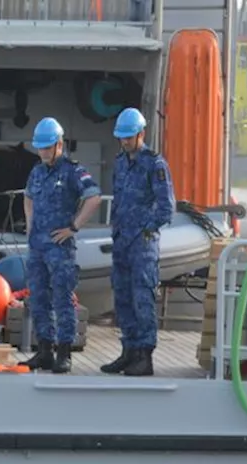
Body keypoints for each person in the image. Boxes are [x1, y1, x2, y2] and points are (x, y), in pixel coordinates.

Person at [19, 117, 102, 374]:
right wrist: (30, 226)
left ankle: (64, 352)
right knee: (38, 297)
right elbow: (28, 196)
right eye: (40, 148)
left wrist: (74, 227)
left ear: (59, 144)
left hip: (59, 247)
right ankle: (44, 350)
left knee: (63, 299)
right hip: (38, 246)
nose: (43, 152)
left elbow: (94, 197)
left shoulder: (73, 171)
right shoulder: (37, 171)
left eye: (47, 147)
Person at [101, 107, 175, 378]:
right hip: (122, 240)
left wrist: (146, 230)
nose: (124, 142)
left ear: (141, 134)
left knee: (142, 297)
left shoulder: (155, 164)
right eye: (121, 137)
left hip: (142, 244)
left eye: (129, 137)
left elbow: (167, 207)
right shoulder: (120, 162)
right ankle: (129, 351)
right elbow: (119, 199)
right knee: (122, 297)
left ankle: (144, 356)